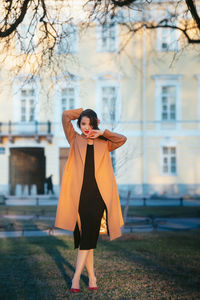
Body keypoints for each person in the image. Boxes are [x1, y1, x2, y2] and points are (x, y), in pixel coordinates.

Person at [54, 108, 127, 293]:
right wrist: (83, 112)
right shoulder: (75, 139)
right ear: (79, 125)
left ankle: (75, 279)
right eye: (83, 124)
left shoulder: (105, 142)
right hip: (79, 197)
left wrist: (103, 132)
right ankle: (92, 277)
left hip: (98, 197)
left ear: (95, 124)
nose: (87, 128)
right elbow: (65, 116)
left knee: (87, 238)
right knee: (87, 238)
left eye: (90, 124)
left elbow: (122, 139)